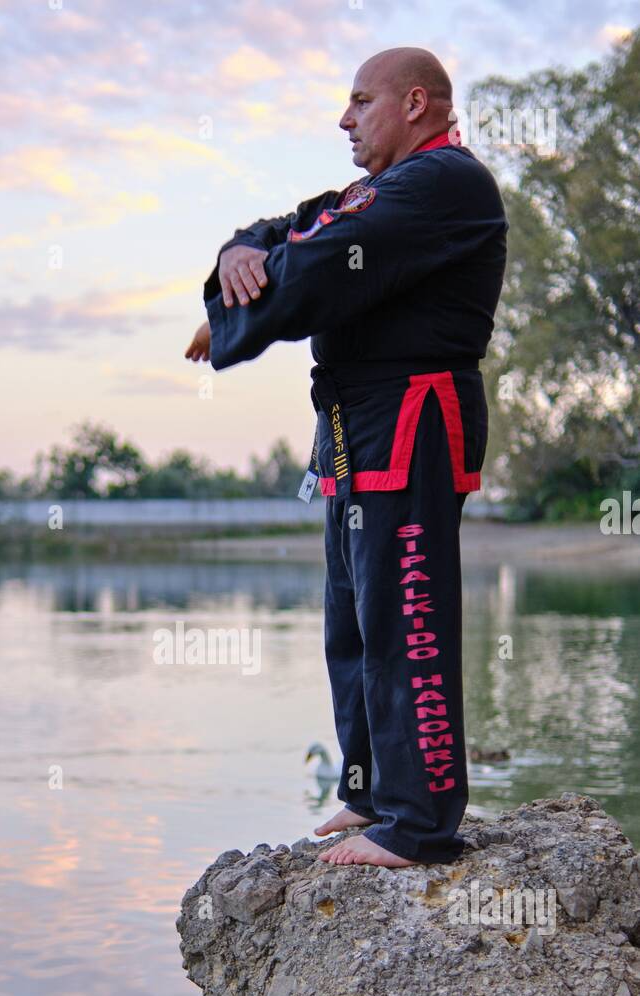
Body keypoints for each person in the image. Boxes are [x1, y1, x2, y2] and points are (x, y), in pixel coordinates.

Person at [184, 46, 507, 868]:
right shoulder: (371, 190)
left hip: (412, 414)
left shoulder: (445, 184)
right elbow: (278, 232)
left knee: (407, 620)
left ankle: (423, 823)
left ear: (417, 103)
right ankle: (368, 789)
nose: (344, 117)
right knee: (353, 619)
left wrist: (232, 313)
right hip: (350, 421)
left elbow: (321, 257)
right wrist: (233, 260)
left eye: (361, 101)